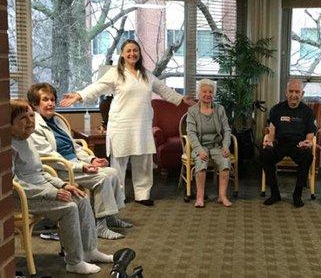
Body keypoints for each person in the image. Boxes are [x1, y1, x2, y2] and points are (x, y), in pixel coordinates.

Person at [60, 39, 196, 206]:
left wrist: (182, 98)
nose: (132, 54)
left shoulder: (146, 74)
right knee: (119, 162)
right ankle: (119, 195)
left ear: (139, 54)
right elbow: (97, 87)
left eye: (135, 51)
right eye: (128, 51)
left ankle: (142, 194)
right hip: (121, 124)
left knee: (144, 161)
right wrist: (79, 95)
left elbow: (163, 90)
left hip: (142, 125)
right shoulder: (115, 73)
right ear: (122, 54)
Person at [11, 99, 113, 275]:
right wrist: (52, 193)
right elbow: (13, 184)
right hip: (20, 197)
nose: (30, 121)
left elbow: (40, 172)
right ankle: (73, 261)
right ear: (8, 123)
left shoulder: (27, 141)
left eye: (30, 116)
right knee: (68, 208)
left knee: (80, 197)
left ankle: (89, 250)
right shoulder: (8, 146)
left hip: (39, 191)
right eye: (23, 118)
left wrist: (64, 185)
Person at [27, 83, 130, 240]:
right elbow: (51, 158)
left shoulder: (57, 120)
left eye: (52, 99)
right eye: (45, 100)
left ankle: (109, 217)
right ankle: (100, 227)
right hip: (60, 169)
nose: (50, 103)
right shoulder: (34, 126)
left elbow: (74, 146)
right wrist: (82, 167)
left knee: (112, 172)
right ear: (35, 104)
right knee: (102, 178)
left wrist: (92, 159)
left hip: (75, 163)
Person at [260, 79, 316, 208]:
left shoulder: (308, 112)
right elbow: (272, 131)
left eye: (297, 92)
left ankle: (297, 194)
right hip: (280, 143)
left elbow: (310, 135)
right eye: (291, 91)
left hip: (298, 145)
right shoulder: (276, 109)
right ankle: (275, 194)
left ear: (302, 93)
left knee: (307, 157)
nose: (294, 95)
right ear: (286, 92)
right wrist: (269, 140)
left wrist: (307, 143)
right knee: (264, 154)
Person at [186, 79, 233, 208]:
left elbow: (227, 130)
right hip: (200, 146)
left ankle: (222, 196)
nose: (208, 94)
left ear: (214, 94)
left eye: (210, 92)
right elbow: (191, 133)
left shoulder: (220, 109)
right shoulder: (192, 111)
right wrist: (199, 150)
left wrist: (225, 146)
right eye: (204, 91)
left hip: (216, 146)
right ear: (199, 94)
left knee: (225, 162)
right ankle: (200, 196)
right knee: (201, 163)